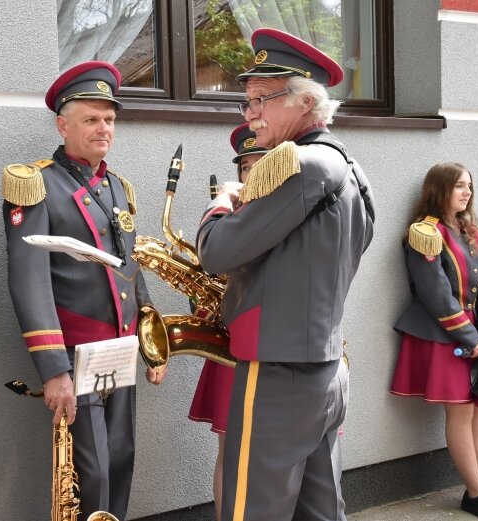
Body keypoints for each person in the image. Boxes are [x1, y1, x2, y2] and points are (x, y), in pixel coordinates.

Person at [196, 28, 375, 521]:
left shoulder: (294, 163)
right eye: (247, 101)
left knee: (250, 510)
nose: (250, 112)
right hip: (323, 365)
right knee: (319, 511)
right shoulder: (349, 166)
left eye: (261, 99)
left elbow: (216, 252)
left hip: (278, 371)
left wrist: (219, 205)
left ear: (303, 102)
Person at [2, 61, 164, 520]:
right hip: (75, 353)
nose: (103, 128)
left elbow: (132, 268)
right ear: (62, 124)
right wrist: (52, 368)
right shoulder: (35, 184)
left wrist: (153, 344)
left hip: (120, 349)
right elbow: (28, 280)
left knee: (119, 458)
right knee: (88, 470)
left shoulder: (118, 187)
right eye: (91, 119)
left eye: (109, 119)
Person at [391, 163, 478, 519]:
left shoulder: (475, 233)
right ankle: (476, 494)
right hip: (445, 336)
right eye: (459, 186)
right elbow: (436, 295)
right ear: (439, 189)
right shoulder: (426, 233)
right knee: (461, 413)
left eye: (470, 186)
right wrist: (470, 337)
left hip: (476, 336)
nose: (467, 192)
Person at [187, 123, 266, 521]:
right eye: (246, 167)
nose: (251, 174)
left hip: (279, 344)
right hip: (234, 345)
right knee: (231, 450)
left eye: (261, 164)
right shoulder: (226, 217)